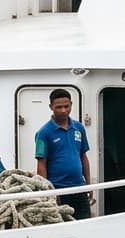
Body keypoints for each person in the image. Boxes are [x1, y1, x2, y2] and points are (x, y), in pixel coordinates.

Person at [34, 88, 92, 219]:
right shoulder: (43, 133)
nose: (63, 110)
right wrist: (50, 193)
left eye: (66, 106)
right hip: (58, 190)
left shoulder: (79, 128)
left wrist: (89, 185)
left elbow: (83, 156)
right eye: (58, 107)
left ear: (71, 104)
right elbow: (41, 165)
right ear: (51, 107)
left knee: (84, 225)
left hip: (79, 188)